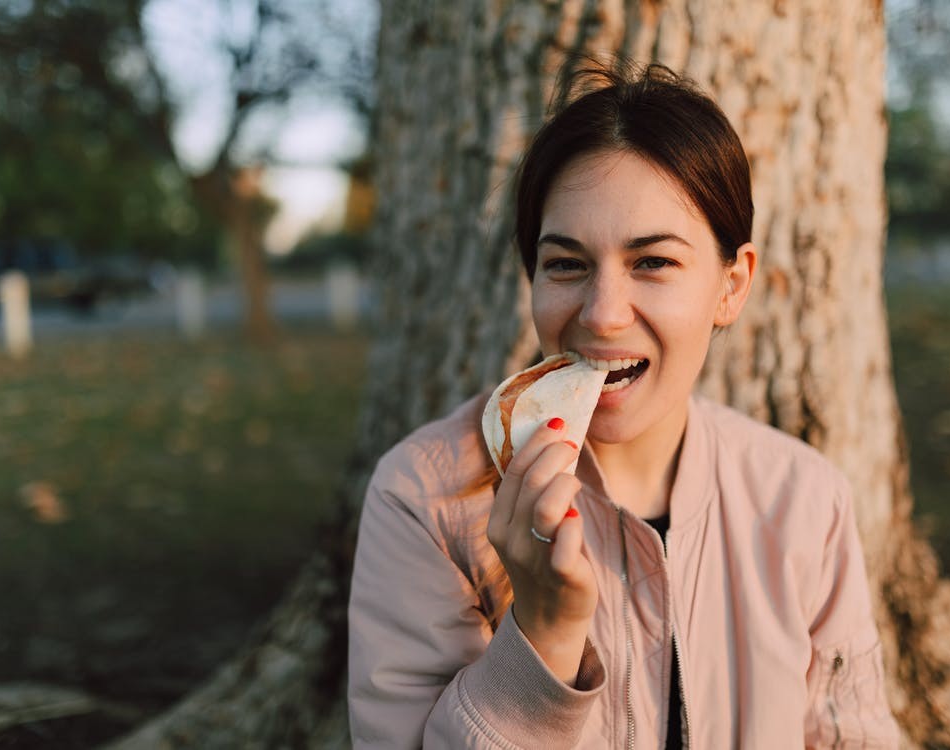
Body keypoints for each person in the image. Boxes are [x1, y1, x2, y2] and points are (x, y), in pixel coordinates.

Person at [348, 60, 900, 749]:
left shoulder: (803, 500)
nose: (603, 315)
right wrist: (542, 635)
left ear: (731, 286)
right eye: (566, 264)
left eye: (652, 262)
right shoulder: (427, 496)